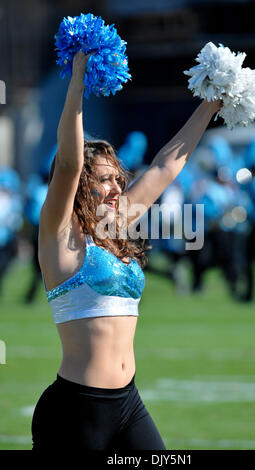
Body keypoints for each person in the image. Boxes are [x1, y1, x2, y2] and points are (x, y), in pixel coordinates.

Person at [31, 50, 222, 451]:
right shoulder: (59, 236)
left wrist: (212, 102)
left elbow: (164, 167)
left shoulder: (114, 227)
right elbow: (68, 162)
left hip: (128, 403)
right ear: (83, 186)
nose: (119, 189)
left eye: (119, 179)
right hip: (77, 410)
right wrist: (78, 79)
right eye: (106, 181)